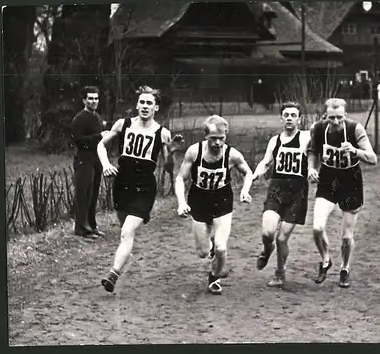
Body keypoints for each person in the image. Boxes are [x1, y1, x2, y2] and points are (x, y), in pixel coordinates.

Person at [96, 85, 175, 293]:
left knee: (126, 231)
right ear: (137, 105)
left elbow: (168, 168)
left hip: (144, 186)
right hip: (122, 183)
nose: (145, 106)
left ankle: (113, 274)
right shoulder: (123, 124)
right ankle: (125, 256)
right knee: (125, 229)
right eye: (142, 102)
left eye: (150, 103)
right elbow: (100, 145)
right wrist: (105, 165)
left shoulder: (163, 133)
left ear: (156, 107)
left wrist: (172, 153)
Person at [175, 115, 254, 295]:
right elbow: (180, 177)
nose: (218, 143)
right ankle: (209, 248)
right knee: (203, 253)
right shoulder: (194, 152)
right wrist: (181, 203)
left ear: (226, 136)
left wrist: (245, 190)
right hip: (199, 199)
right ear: (205, 137)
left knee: (221, 247)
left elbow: (248, 172)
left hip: (222, 200)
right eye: (213, 139)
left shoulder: (232, 154)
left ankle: (214, 277)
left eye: (222, 138)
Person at [307, 98, 377, 288]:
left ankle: (345, 268)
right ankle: (326, 260)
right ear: (326, 116)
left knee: (347, 237)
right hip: (328, 180)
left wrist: (354, 151)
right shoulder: (319, 128)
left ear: (345, 115)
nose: (336, 122)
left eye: (339, 118)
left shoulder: (355, 129)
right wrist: (311, 168)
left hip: (350, 182)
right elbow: (312, 151)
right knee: (317, 228)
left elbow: (373, 158)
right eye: (331, 118)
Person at [252, 102, 311, 287]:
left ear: (299, 119)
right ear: (281, 118)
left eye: (293, 115)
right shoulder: (275, 141)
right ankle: (267, 250)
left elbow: (318, 151)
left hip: (297, 192)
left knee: (282, 238)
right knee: (268, 232)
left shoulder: (306, 138)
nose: (289, 118)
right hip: (277, 189)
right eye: (286, 115)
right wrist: (255, 174)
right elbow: (266, 162)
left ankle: (279, 272)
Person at [70, 86, 109, 240]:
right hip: (83, 159)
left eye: (96, 98)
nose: (94, 101)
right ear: (84, 100)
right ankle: (81, 228)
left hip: (96, 159)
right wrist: (99, 136)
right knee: (83, 193)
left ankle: (92, 226)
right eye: (90, 98)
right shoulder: (79, 118)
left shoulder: (97, 117)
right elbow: (78, 139)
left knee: (93, 193)